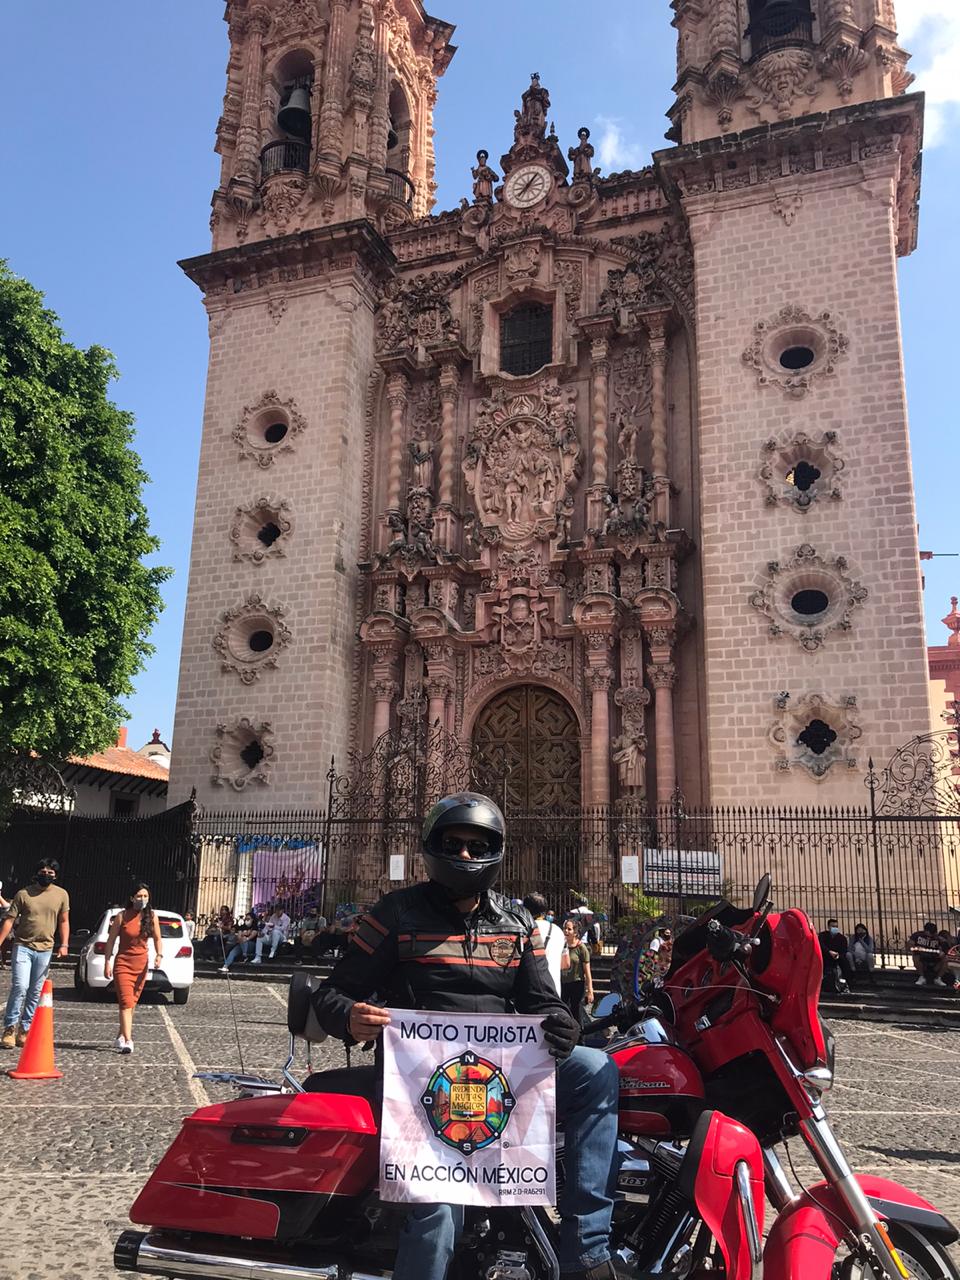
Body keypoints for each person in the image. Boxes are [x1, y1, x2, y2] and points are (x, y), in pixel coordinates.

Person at [311, 792, 621, 1280]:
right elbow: (331, 995)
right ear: (433, 847)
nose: (465, 856)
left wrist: (563, 1025)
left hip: (499, 1078)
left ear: (495, 851)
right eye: (453, 844)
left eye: (478, 847)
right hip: (418, 1088)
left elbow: (544, 1003)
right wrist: (350, 1016)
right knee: (438, 1208)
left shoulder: (517, 924)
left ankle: (587, 1248)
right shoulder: (395, 914)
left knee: (597, 1069)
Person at [0, 860, 70, 1050]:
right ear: (37, 872)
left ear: (55, 875)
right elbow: (9, 920)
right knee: (20, 986)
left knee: (35, 991)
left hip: (45, 948)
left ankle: (25, 1028)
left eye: (51, 872)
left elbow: (64, 921)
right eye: (43, 871)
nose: (46, 874)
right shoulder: (23, 894)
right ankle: (9, 1028)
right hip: (23, 946)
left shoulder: (61, 894)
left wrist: (64, 944)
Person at [103, 882, 162, 1054]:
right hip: (123, 963)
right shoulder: (122, 917)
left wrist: (159, 955)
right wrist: (107, 961)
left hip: (141, 964)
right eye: (139, 896)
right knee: (126, 1001)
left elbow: (158, 938)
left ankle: (121, 1035)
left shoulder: (152, 916)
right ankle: (128, 1040)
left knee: (132, 1002)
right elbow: (111, 941)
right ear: (131, 898)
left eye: (145, 896)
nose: (142, 899)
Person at [523, 892, 565, 995]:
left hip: (529, 991)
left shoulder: (524, 930)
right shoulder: (558, 931)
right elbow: (566, 963)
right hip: (554, 992)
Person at [560, 917, 596, 1024]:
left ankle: (580, 1036)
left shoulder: (581, 948)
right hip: (563, 982)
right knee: (563, 1009)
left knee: (576, 1010)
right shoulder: (561, 945)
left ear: (575, 932)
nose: (566, 931)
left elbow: (587, 971)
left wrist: (590, 990)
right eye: (565, 928)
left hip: (577, 983)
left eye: (569, 929)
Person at [910, 922, 950, 987]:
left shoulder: (939, 939)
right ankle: (922, 977)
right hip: (922, 957)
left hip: (935, 959)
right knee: (915, 956)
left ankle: (938, 978)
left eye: (932, 933)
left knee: (945, 959)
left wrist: (942, 951)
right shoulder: (917, 935)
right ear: (925, 930)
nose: (930, 935)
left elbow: (946, 949)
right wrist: (915, 948)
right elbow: (909, 946)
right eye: (928, 932)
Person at [817, 919, 851, 993]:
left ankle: (845, 984)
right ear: (828, 927)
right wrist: (829, 952)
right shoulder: (823, 935)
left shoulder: (842, 938)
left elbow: (843, 950)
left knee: (845, 963)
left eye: (836, 926)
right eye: (832, 926)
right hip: (825, 957)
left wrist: (837, 955)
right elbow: (821, 946)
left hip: (837, 958)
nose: (835, 928)